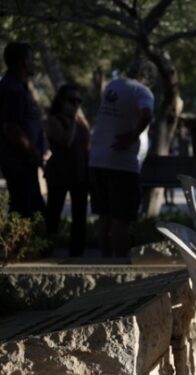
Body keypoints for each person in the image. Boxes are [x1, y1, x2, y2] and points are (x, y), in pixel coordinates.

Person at [89, 59, 156, 258]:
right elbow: (147, 113)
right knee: (120, 219)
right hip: (122, 164)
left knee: (104, 216)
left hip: (97, 160)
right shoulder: (142, 91)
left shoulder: (113, 85)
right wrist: (133, 135)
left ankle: (104, 259)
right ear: (148, 78)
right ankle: (118, 265)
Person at [0, 42, 47, 217]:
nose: (34, 62)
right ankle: (18, 244)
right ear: (22, 62)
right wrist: (32, 151)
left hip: (24, 161)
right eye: (31, 59)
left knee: (31, 209)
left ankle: (23, 243)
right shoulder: (13, 90)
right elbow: (11, 127)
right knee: (25, 211)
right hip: (19, 161)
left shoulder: (18, 87)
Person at [44, 84, 90, 256]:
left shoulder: (80, 122)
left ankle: (77, 253)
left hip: (79, 173)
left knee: (80, 216)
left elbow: (87, 145)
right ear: (61, 101)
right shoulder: (53, 120)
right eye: (72, 100)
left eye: (79, 100)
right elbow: (66, 142)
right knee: (53, 214)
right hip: (59, 174)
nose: (76, 104)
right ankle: (46, 250)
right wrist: (72, 122)